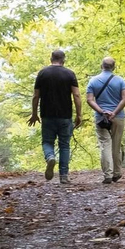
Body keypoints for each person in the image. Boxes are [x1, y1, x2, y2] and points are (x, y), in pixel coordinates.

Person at [28, 49, 81, 184]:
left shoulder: (42, 73)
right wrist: (79, 114)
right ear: (63, 60)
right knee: (64, 145)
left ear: (51, 59)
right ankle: (64, 176)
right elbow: (76, 95)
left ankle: (50, 157)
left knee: (47, 142)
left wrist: (34, 114)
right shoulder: (70, 74)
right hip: (65, 115)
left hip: (47, 115)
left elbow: (36, 96)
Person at [85, 56, 125, 184]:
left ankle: (108, 175)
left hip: (101, 118)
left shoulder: (93, 81)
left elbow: (89, 100)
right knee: (116, 144)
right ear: (114, 67)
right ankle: (117, 173)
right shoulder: (120, 81)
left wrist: (101, 111)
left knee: (105, 145)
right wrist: (114, 112)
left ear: (101, 66)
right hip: (118, 117)